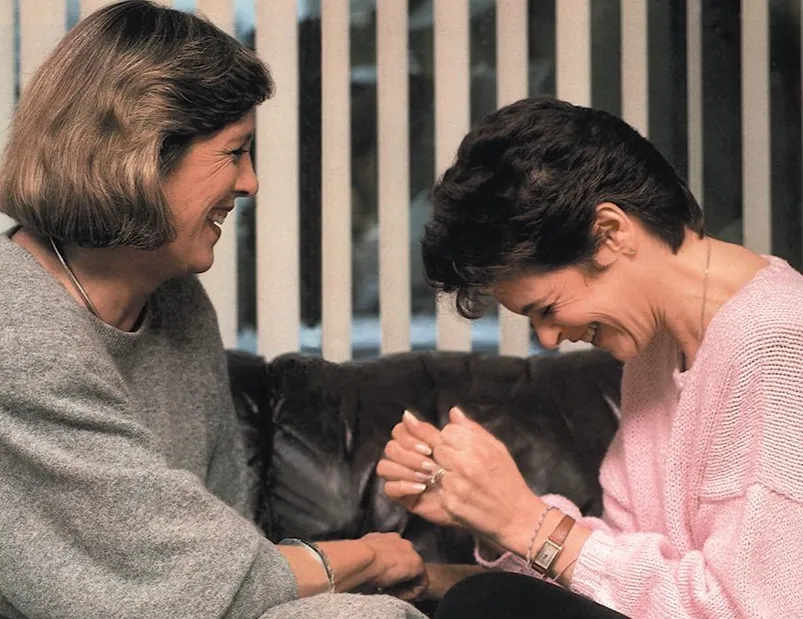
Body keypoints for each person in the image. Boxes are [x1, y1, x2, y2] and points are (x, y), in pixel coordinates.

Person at [0, 2, 432, 618]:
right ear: (143, 156)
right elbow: (185, 583)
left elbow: (231, 554)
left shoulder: (175, 300)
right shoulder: (16, 329)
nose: (250, 183)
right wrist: (369, 556)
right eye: (235, 152)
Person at [377, 97, 803, 618]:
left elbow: (761, 608)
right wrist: (492, 518)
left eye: (548, 308)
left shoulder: (779, 342)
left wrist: (525, 522)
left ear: (610, 233)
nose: (550, 339)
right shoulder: (655, 351)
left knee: (486, 604)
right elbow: (623, 570)